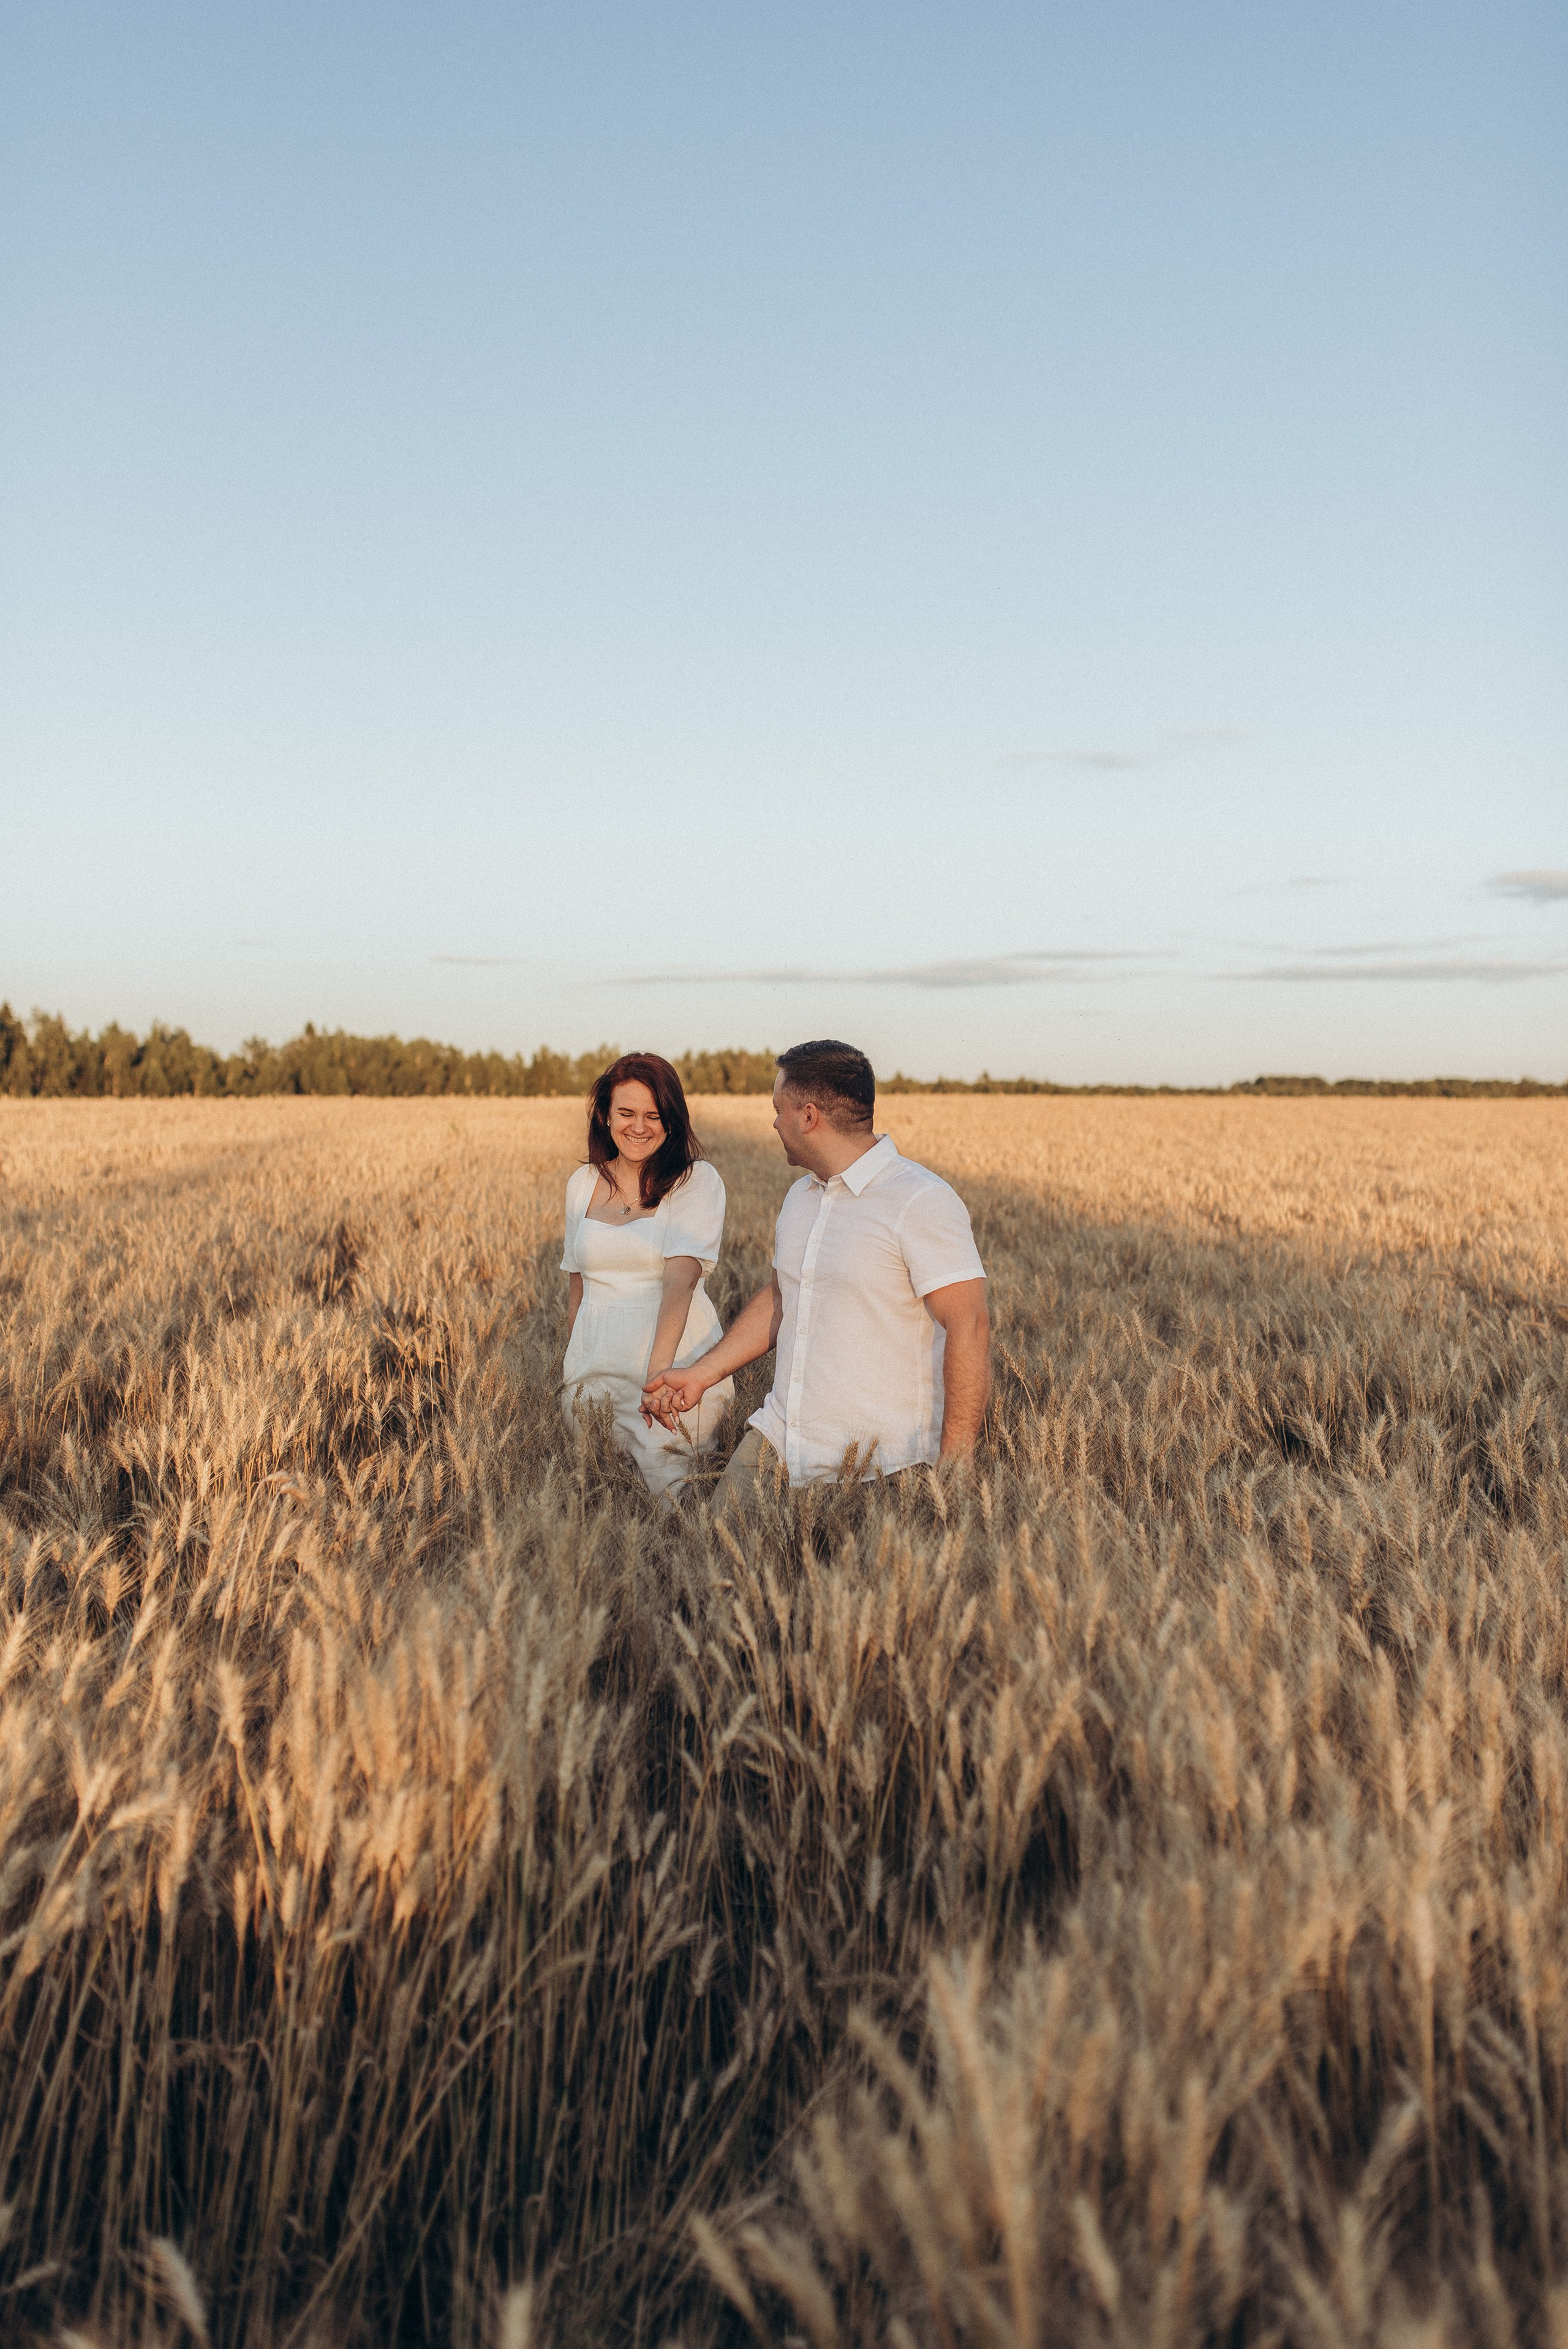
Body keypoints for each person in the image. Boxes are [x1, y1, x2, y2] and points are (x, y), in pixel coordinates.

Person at [642, 1039, 988, 1509]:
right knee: (711, 1558)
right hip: (781, 1438)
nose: (774, 1122)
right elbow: (782, 1297)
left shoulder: (920, 1199)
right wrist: (701, 1374)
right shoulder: (801, 1197)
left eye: (778, 1109)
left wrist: (955, 1472)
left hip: (880, 1462)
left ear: (808, 1116)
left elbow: (969, 1326)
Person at [560, 1052, 733, 1498]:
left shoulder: (695, 1181)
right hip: (594, 1379)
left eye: (653, 1115)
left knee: (674, 1513)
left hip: (668, 1380)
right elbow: (577, 1286)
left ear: (671, 1121)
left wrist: (658, 1380)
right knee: (598, 1509)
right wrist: (572, 1372)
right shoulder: (582, 1184)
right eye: (627, 1113)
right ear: (604, 1115)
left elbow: (681, 1281)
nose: (639, 1126)